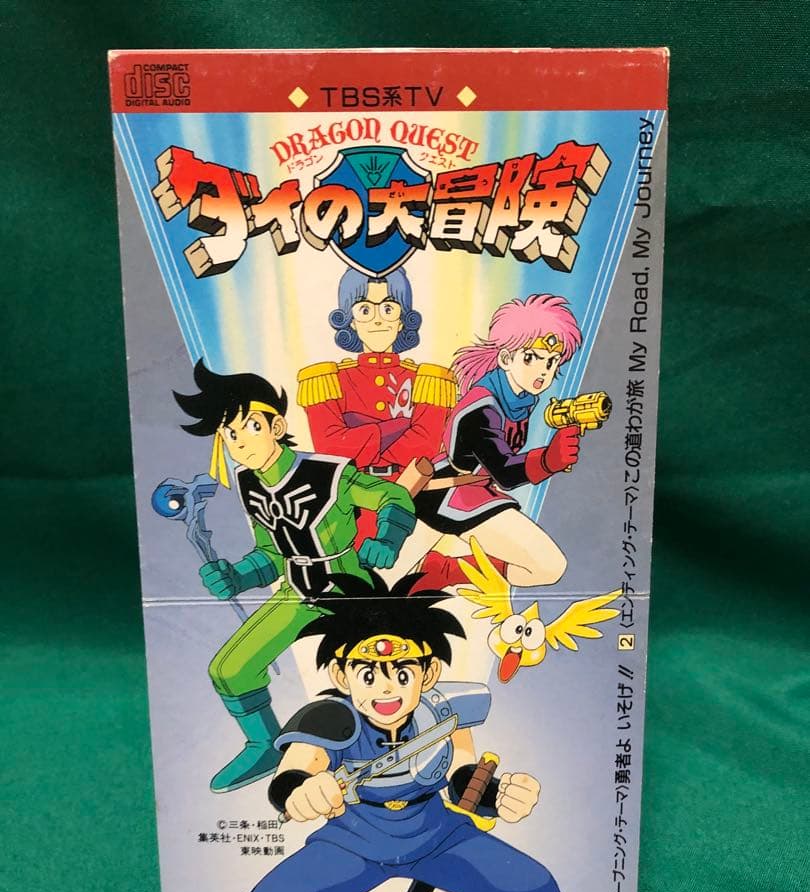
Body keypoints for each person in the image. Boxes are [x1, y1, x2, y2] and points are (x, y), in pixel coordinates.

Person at [242, 572, 562, 892]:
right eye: (368, 674)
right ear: (341, 675)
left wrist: (498, 795)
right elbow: (292, 774)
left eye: (403, 672)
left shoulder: (445, 713)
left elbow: (463, 777)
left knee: (529, 889)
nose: (387, 688)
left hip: (438, 834)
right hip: (352, 840)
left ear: (429, 673)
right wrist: (303, 792)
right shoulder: (328, 718)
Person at [174, 361, 416, 793]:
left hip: (349, 592)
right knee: (229, 669)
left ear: (276, 426)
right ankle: (264, 745)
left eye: (249, 427)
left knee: (375, 672)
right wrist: (236, 576)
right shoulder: (250, 483)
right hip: (297, 593)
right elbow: (271, 553)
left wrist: (387, 539)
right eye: (229, 434)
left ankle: (389, 745)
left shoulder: (327, 473)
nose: (239, 442)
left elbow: (392, 496)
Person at [404, 294, 584, 589]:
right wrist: (547, 460)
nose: (543, 371)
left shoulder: (519, 398)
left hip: (476, 492)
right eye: (531, 358)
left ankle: (442, 571)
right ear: (506, 358)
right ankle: (441, 571)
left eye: (552, 362)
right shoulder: (482, 407)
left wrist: (552, 458)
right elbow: (505, 471)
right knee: (547, 565)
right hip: (446, 496)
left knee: (547, 567)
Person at [297, 267, 455, 543]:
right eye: (365, 310)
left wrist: (359, 435)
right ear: (350, 321)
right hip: (349, 501)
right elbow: (331, 448)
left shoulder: (428, 379)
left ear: (403, 320)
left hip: (413, 495)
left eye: (388, 308)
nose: (378, 319)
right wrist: (398, 426)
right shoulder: (325, 379)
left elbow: (425, 447)